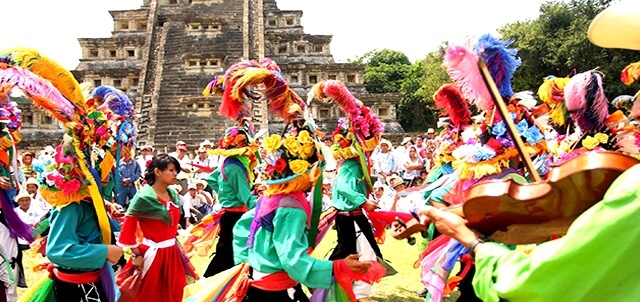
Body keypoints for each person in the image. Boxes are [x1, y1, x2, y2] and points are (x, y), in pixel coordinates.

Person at [117, 154, 197, 302]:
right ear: (157, 172)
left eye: (176, 171)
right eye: (171, 170)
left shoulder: (172, 193)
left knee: (175, 290)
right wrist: (136, 254)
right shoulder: (143, 197)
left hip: (172, 252)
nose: (175, 174)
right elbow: (128, 228)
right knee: (150, 293)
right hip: (152, 254)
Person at [202, 122, 259, 277]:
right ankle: (209, 284)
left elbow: (211, 178)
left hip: (230, 214)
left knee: (227, 252)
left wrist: (225, 192)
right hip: (236, 216)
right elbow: (246, 198)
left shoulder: (228, 163)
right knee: (229, 254)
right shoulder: (235, 168)